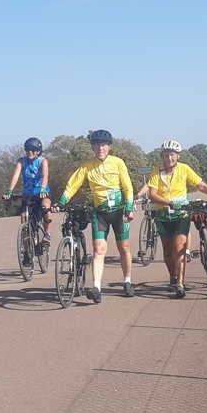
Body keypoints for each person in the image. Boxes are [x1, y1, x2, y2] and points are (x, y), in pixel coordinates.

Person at [57, 129, 136, 303]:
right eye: (96, 145)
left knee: (124, 248)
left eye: (103, 145)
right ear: (92, 147)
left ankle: (127, 281)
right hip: (99, 213)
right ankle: (96, 287)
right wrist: (61, 202)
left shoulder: (118, 163)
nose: (100, 148)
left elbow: (128, 187)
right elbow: (73, 185)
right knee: (99, 250)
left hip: (119, 212)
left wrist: (129, 208)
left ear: (109, 146)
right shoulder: (87, 166)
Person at [138, 139, 207, 298]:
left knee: (179, 248)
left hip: (181, 213)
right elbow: (153, 194)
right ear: (162, 156)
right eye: (166, 155)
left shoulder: (184, 169)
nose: (169, 158)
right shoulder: (157, 171)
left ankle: (180, 284)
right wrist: (168, 202)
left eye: (172, 155)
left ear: (178, 156)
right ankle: (173, 277)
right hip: (163, 214)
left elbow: (200, 185)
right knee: (168, 252)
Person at [4, 137, 52, 260]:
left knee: (46, 208)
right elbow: (15, 176)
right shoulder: (21, 161)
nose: (29, 152)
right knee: (24, 221)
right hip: (27, 195)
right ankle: (26, 252)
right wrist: (9, 190)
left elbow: (45, 175)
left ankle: (47, 234)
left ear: (38, 151)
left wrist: (42, 188)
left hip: (41, 193)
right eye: (27, 150)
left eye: (32, 150)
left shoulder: (43, 161)